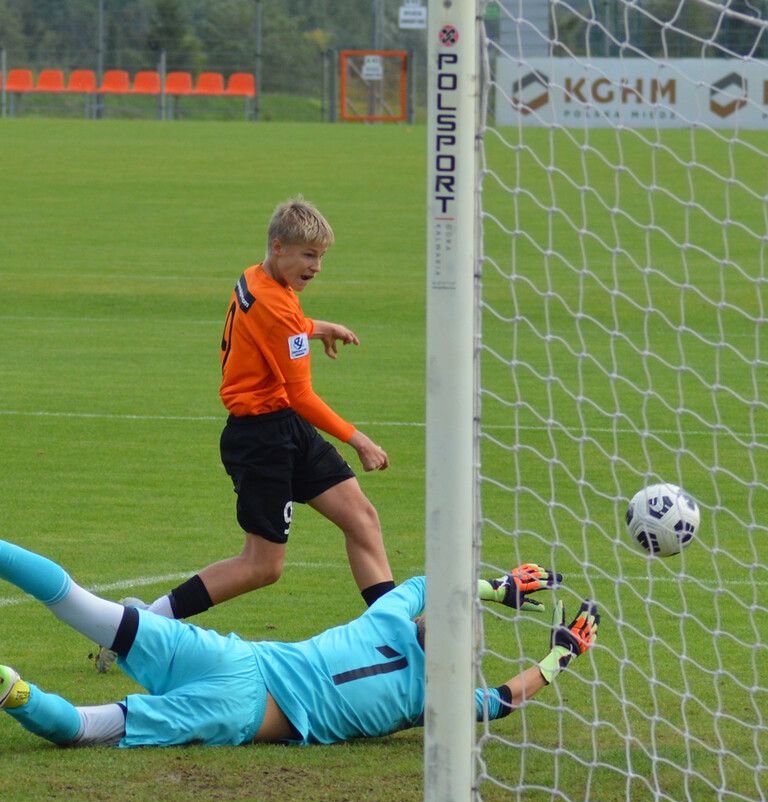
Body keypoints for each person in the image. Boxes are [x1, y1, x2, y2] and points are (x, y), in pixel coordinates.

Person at [0, 541, 600, 748]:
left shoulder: (386, 621)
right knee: (86, 726)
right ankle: (13, 689)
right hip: (243, 714)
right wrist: (561, 655)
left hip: (237, 656)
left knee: (86, 606)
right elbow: (501, 699)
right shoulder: (434, 697)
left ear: (424, 626)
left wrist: (493, 589)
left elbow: (422, 584)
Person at [138, 197, 393, 626]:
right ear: (279, 247)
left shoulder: (257, 278)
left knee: (361, 517)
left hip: (283, 427)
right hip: (260, 438)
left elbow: (280, 324)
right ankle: (144, 621)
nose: (316, 267)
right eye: (308, 255)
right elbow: (302, 396)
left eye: (322, 257)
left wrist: (318, 327)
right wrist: (358, 439)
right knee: (263, 566)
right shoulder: (278, 306)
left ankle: (396, 632)